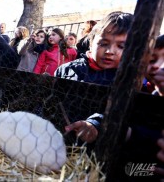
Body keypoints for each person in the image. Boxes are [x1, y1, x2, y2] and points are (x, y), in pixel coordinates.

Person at [65, 33, 164, 180]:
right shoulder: (146, 94)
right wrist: (97, 125)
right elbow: (123, 118)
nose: (157, 66)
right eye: (153, 59)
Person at [55, 12, 134, 86]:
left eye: (121, 46)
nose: (109, 51)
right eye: (104, 44)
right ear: (91, 43)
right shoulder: (67, 70)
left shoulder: (132, 77)